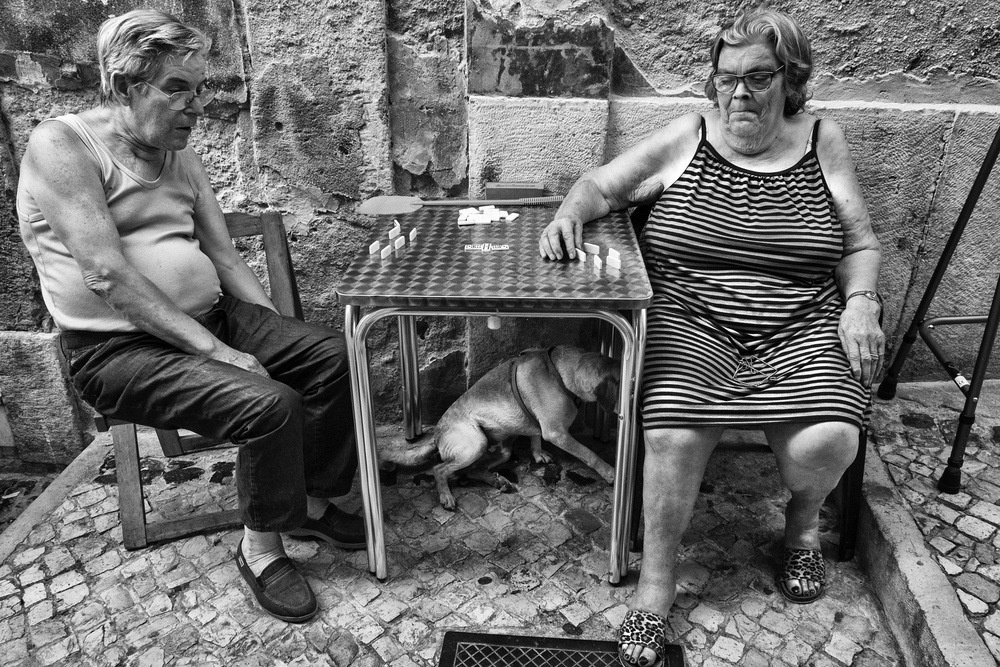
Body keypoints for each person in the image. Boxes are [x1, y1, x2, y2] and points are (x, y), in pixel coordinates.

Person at [539, 10, 884, 667]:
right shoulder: (688, 135)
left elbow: (860, 244)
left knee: (828, 439)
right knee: (672, 432)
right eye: (726, 79)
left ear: (790, 79)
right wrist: (567, 216)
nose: (739, 94)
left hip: (801, 325)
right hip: (692, 321)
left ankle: (802, 526)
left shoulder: (823, 140)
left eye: (758, 77)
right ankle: (655, 585)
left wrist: (861, 304)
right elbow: (600, 187)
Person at [17, 10, 363, 624]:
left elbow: (224, 257)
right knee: (269, 403)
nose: (197, 106)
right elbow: (107, 275)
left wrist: (276, 335)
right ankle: (260, 550)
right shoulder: (62, 146)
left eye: (200, 89)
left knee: (333, 354)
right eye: (177, 89)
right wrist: (220, 353)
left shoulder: (178, 152)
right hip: (117, 350)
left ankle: (306, 500)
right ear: (124, 86)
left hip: (211, 317)